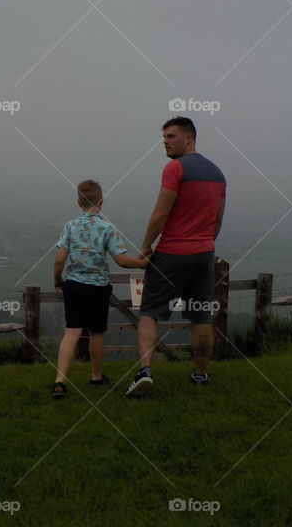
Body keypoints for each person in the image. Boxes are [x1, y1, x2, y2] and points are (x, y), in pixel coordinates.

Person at [126, 117, 226, 397]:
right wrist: (205, 244)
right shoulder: (218, 174)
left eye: (171, 136)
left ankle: (144, 371)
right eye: (165, 138)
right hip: (204, 254)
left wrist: (146, 246)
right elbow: (218, 219)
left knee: (149, 313)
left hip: (171, 252)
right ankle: (200, 374)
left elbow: (161, 213)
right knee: (201, 317)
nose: (165, 142)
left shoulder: (175, 167)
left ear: (189, 138)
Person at [52, 179, 146, 399]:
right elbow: (121, 260)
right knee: (96, 333)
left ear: (78, 202)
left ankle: (59, 382)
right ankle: (96, 376)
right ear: (101, 201)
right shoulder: (107, 228)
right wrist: (144, 264)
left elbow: (59, 259)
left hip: (74, 285)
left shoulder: (71, 226)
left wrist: (58, 278)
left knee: (72, 332)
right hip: (98, 288)